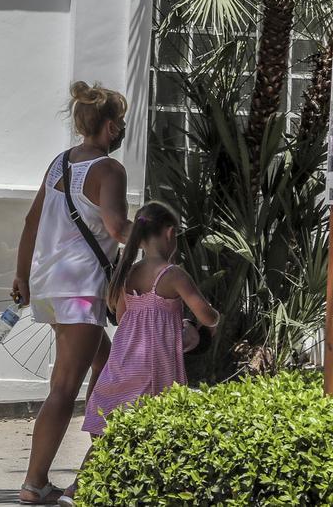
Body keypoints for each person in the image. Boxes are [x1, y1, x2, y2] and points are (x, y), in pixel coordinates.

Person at [12, 81, 132, 505]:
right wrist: (155, 237)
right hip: (81, 289)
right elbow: (118, 229)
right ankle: (34, 483)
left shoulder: (59, 163)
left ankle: (87, 462)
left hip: (49, 284)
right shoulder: (108, 170)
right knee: (64, 386)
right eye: (121, 124)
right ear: (112, 125)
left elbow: (31, 221)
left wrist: (22, 276)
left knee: (108, 361)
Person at [59, 201, 219, 505]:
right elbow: (206, 314)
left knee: (110, 434)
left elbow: (121, 317)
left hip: (121, 363)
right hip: (153, 370)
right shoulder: (173, 275)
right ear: (170, 233)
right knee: (159, 435)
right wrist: (212, 320)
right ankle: (101, 492)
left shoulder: (127, 274)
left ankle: (78, 490)